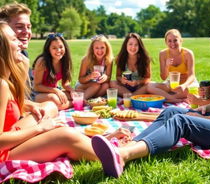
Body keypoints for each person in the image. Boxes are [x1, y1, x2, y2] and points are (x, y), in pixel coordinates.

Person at [92, 12, 210, 178]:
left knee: (182, 121)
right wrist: (203, 109)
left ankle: (123, 156)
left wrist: (203, 119)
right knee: (171, 112)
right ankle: (129, 144)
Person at [0, 21, 131, 163]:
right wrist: (40, 129)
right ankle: (118, 154)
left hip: (12, 134)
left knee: (48, 108)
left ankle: (100, 143)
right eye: (14, 39)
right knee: (65, 135)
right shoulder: (2, 84)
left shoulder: (6, 79)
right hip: (4, 153)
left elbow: (7, 105)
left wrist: (28, 105)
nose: (20, 43)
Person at [0, 2, 57, 119]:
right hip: (9, 125)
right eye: (20, 27)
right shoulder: (7, 61)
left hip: (16, 112)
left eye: (29, 27)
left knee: (51, 106)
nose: (27, 32)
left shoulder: (22, 55)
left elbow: (20, 100)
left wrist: (33, 106)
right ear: (4, 29)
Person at [147, 29, 195, 103]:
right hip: (172, 84)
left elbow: (192, 76)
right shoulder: (163, 54)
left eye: (175, 40)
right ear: (166, 42)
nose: (173, 43)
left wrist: (184, 85)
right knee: (149, 86)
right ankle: (172, 98)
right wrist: (166, 66)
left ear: (181, 40)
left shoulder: (188, 54)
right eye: (169, 41)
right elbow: (163, 77)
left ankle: (166, 97)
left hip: (186, 85)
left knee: (192, 91)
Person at [33, 33, 74, 110]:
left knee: (76, 94)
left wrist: (72, 91)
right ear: (49, 49)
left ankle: (72, 102)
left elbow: (65, 83)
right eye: (54, 48)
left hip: (54, 90)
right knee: (54, 99)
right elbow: (36, 86)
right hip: (37, 93)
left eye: (61, 47)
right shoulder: (42, 62)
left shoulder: (65, 61)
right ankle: (75, 103)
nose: (58, 50)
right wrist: (56, 91)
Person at [75, 34, 113, 100]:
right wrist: (90, 76)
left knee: (106, 86)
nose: (100, 51)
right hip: (84, 85)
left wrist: (106, 77)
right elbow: (81, 80)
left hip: (98, 85)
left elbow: (108, 78)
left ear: (107, 48)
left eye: (102, 47)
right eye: (96, 48)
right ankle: (83, 99)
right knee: (96, 85)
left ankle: (91, 98)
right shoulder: (86, 60)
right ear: (92, 49)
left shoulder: (109, 60)